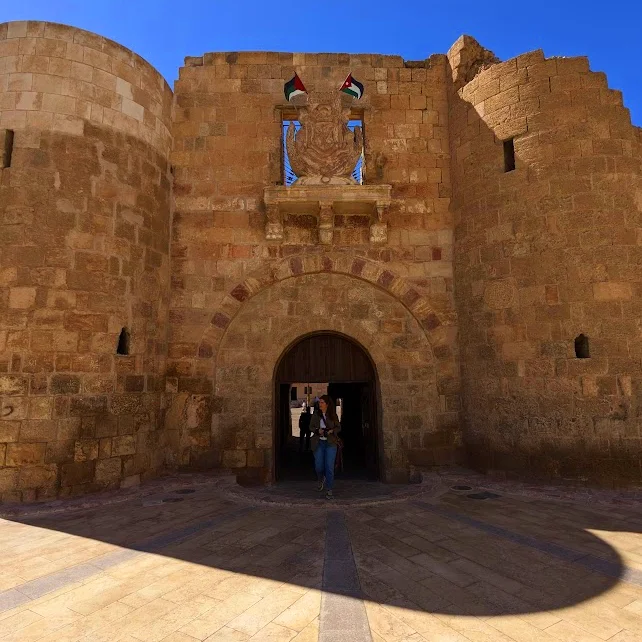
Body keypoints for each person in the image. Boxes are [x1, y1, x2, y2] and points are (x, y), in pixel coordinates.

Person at [310, 395, 341, 499]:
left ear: (327, 404)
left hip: (330, 443)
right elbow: (311, 427)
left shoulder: (332, 415)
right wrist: (317, 430)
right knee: (319, 466)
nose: (320, 404)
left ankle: (329, 489)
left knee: (329, 467)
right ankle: (320, 479)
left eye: (322, 402)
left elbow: (338, 427)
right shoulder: (315, 414)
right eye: (320, 402)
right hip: (319, 443)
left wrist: (331, 431)